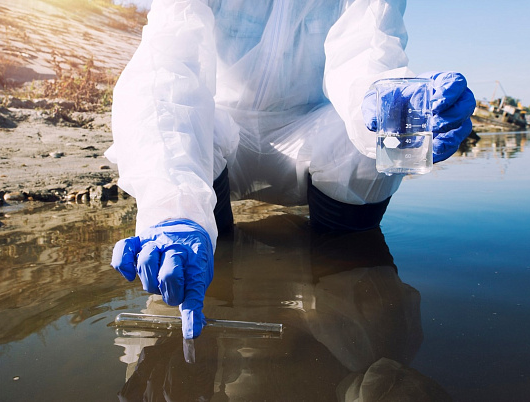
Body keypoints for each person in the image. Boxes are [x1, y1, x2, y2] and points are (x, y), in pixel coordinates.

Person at [105, 0, 475, 339]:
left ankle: (347, 284)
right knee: (172, 130)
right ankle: (193, 235)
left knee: (374, 142)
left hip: (313, 128)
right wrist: (171, 208)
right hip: (220, 128)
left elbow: (367, 50)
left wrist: (391, 105)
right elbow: (169, 67)